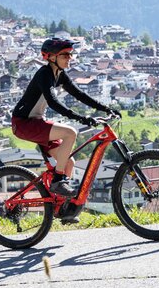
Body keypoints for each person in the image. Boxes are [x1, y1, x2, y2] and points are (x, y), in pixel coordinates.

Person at [11, 37, 119, 198]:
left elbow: (79, 94)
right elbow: (53, 102)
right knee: (70, 133)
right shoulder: (44, 74)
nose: (70, 58)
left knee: (69, 162)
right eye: (65, 55)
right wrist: (79, 118)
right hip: (23, 123)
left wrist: (105, 108)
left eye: (70, 54)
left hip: (36, 122)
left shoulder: (59, 74)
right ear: (52, 57)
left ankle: (62, 206)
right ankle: (58, 180)